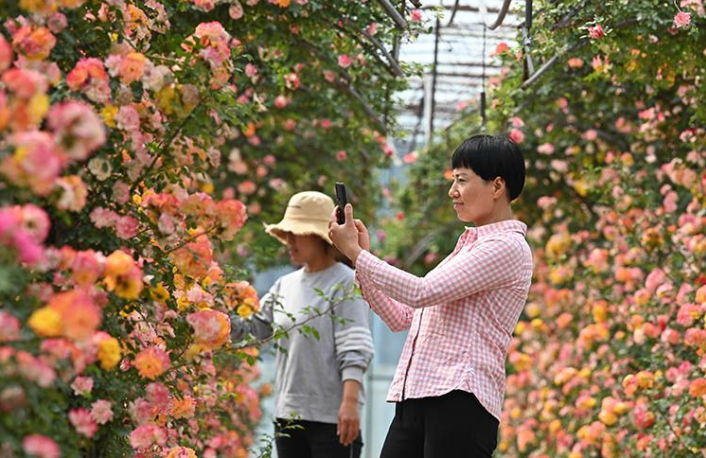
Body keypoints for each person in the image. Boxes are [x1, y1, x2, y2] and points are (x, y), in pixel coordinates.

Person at [328, 134, 533, 458]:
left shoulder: (506, 246)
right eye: (454, 181)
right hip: (418, 396)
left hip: (460, 400)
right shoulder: (469, 246)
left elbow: (420, 292)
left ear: (497, 187)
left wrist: (356, 254)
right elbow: (402, 317)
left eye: (462, 180)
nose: (453, 192)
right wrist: (362, 258)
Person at [231, 191, 374, 458]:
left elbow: (355, 348)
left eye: (297, 232)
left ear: (320, 237)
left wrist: (350, 404)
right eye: (287, 233)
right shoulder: (284, 285)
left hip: (333, 420)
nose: (289, 240)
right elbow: (256, 328)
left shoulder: (345, 283)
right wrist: (208, 313)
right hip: (287, 417)